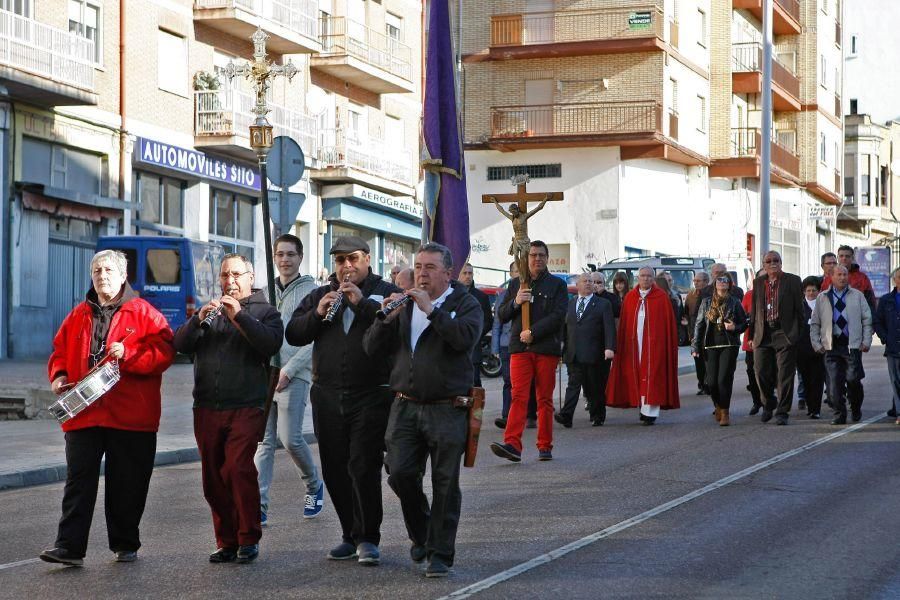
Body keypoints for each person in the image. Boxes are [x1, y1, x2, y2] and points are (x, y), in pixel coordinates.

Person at [40, 250, 175, 567]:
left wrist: (129, 352)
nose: (102, 275)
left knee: (127, 483)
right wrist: (59, 376)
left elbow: (164, 353)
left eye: (108, 269)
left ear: (123, 274)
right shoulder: (77, 314)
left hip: (131, 416)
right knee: (78, 481)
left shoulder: (145, 313)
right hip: (84, 413)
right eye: (97, 270)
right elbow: (59, 351)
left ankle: (125, 543)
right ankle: (69, 547)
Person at [363, 242, 481, 578]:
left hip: (448, 407)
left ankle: (440, 554)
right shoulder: (405, 303)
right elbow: (371, 348)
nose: (422, 273)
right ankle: (423, 533)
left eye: (430, 267)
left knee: (445, 482)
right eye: (418, 266)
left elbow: (464, 340)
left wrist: (433, 310)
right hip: (405, 405)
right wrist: (386, 320)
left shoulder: (465, 303)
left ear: (448, 272)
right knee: (399, 472)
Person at [285, 236, 399, 565]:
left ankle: (368, 538)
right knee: (335, 468)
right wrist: (317, 315)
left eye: (352, 259)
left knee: (363, 465)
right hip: (327, 394)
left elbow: (392, 331)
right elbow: (294, 333)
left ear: (367, 260)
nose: (346, 267)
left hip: (372, 393)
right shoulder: (322, 294)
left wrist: (362, 303)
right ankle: (349, 533)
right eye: (339, 261)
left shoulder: (383, 291)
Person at [173, 254, 283, 564]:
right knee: (212, 478)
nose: (229, 281)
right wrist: (197, 320)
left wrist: (240, 316)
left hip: (246, 404)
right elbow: (180, 344)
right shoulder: (212, 312)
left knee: (238, 468)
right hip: (207, 405)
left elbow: (269, 344)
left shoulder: (266, 312)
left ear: (250, 277)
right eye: (224, 275)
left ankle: (249, 537)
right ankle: (227, 541)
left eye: (236, 274)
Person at [253, 235, 324, 527]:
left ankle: (313, 485)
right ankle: (259, 505)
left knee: (291, 438)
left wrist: (290, 369)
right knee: (263, 442)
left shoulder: (313, 291)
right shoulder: (265, 291)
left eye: (291, 254)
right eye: (280, 254)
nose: (285, 260)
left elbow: (315, 339)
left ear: (301, 257)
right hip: (265, 375)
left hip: (295, 374)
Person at [491, 240, 568, 462]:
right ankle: (512, 444)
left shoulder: (557, 285)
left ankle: (545, 445)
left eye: (541, 255)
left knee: (544, 399)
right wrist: (516, 302)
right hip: (520, 349)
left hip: (545, 348)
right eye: (533, 255)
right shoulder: (516, 284)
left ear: (547, 258)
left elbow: (558, 316)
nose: (537, 259)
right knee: (518, 396)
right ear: (527, 258)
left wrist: (533, 332)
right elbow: (502, 314)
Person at [606, 266, 680, 425]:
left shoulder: (661, 297)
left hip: (655, 344)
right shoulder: (630, 297)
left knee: (653, 373)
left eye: (648, 276)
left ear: (653, 278)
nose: (645, 278)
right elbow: (625, 323)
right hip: (634, 343)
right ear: (637, 278)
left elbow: (667, 324)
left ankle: (650, 413)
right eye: (642, 276)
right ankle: (641, 407)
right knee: (637, 373)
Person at [811, 265, 873, 425]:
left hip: (851, 344)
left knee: (853, 379)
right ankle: (839, 414)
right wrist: (816, 343)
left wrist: (866, 341)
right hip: (831, 345)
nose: (842, 277)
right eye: (839, 274)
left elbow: (867, 319)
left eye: (845, 274)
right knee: (834, 384)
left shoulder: (857, 296)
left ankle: (856, 406)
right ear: (831, 277)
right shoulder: (823, 297)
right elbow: (815, 323)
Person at [747, 251, 804, 426]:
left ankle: (782, 411)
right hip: (763, 334)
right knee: (761, 371)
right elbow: (754, 311)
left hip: (784, 334)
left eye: (776, 260)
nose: (773, 263)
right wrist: (751, 335)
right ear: (763, 265)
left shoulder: (793, 281)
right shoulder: (758, 283)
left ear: (781, 262)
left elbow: (799, 311)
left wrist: (796, 335)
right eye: (769, 261)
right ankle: (768, 402)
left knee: (785, 375)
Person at [556, 273, 615, 428]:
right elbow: (564, 327)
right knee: (573, 385)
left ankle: (597, 415)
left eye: (590, 281)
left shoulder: (602, 304)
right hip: (573, 352)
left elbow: (609, 328)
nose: (588, 283)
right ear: (578, 285)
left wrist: (609, 347)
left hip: (594, 353)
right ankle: (566, 415)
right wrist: (560, 346)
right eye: (585, 281)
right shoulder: (570, 304)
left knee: (594, 387)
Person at [691, 274, 747, 426]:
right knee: (711, 382)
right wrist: (695, 345)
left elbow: (744, 322)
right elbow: (699, 324)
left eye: (725, 281)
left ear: (729, 284)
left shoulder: (735, 302)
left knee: (723, 380)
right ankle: (718, 404)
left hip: (729, 345)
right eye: (719, 280)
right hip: (710, 345)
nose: (722, 283)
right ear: (714, 284)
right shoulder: (706, 302)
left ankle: (725, 412)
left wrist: (735, 327)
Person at [492, 262, 538, 430]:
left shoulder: (531, 290)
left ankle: (530, 414)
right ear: (511, 274)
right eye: (516, 272)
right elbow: (498, 321)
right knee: (508, 381)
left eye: (521, 271)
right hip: (506, 344)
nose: (519, 274)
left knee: (528, 382)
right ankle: (507, 415)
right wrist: (494, 348)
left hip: (524, 342)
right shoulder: (503, 295)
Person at [459, 263, 494, 387]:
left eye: (470, 273)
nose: (468, 276)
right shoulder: (451, 295)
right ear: (459, 274)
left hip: (474, 349)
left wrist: (475, 333)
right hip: (454, 349)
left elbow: (489, 321)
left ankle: (477, 407)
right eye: (465, 273)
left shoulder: (481, 296)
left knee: (474, 384)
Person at [796, 276, 825, 420]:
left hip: (819, 350)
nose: (811, 293)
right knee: (806, 379)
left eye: (814, 290)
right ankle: (809, 404)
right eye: (808, 290)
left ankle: (816, 409)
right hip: (802, 349)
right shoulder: (799, 306)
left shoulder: (824, 305)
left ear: (819, 291)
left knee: (817, 379)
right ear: (804, 292)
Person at [874, 267, 900, 423]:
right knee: (896, 381)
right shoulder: (886, 300)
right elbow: (878, 321)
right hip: (893, 348)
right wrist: (885, 338)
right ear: (894, 280)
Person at [820, 246, 876, 311]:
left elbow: (870, 303)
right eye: (841, 256)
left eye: (847, 256)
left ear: (852, 258)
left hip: (856, 318)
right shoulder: (829, 279)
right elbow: (821, 301)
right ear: (837, 258)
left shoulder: (862, 278)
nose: (844, 258)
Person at [742, 271, 766, 415]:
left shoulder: (774, 294)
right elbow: (742, 315)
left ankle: (767, 401)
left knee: (766, 374)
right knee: (752, 373)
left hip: (770, 341)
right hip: (751, 342)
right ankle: (756, 402)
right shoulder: (749, 295)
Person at [684, 271, 711, 395]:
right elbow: (687, 314)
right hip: (694, 334)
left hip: (708, 334)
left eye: (698, 281)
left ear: (706, 281)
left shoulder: (711, 294)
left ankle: (708, 384)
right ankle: (701, 383)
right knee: (698, 360)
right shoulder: (690, 295)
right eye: (694, 281)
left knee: (707, 361)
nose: (696, 283)